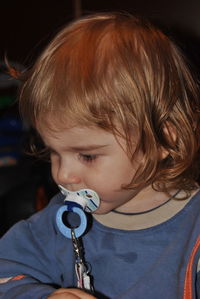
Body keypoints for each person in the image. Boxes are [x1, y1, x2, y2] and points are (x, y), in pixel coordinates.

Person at [0, 12, 200, 299]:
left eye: (87, 156)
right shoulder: (61, 222)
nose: (62, 175)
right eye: (54, 153)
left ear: (163, 140)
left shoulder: (194, 229)